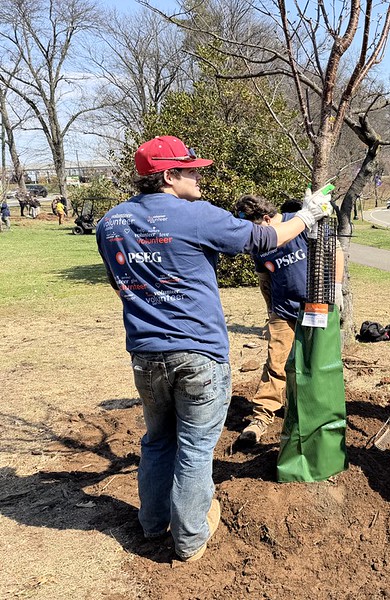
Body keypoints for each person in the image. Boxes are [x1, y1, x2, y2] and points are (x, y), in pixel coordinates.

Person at [95, 135, 332, 562]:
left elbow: (119, 284)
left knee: (158, 440)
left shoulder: (110, 223)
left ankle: (152, 524)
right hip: (198, 353)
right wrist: (307, 215)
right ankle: (189, 539)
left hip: (145, 354)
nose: (199, 176)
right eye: (191, 170)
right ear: (169, 175)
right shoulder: (195, 215)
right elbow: (263, 238)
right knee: (196, 447)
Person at [234, 193, 344, 445]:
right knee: (276, 363)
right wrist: (271, 311)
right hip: (283, 311)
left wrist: (336, 288)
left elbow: (335, 250)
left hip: (315, 308)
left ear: (266, 219)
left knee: (316, 363)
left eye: (255, 229)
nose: (255, 237)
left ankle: (315, 413)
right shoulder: (259, 241)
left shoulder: (301, 222)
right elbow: (264, 278)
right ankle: (261, 418)